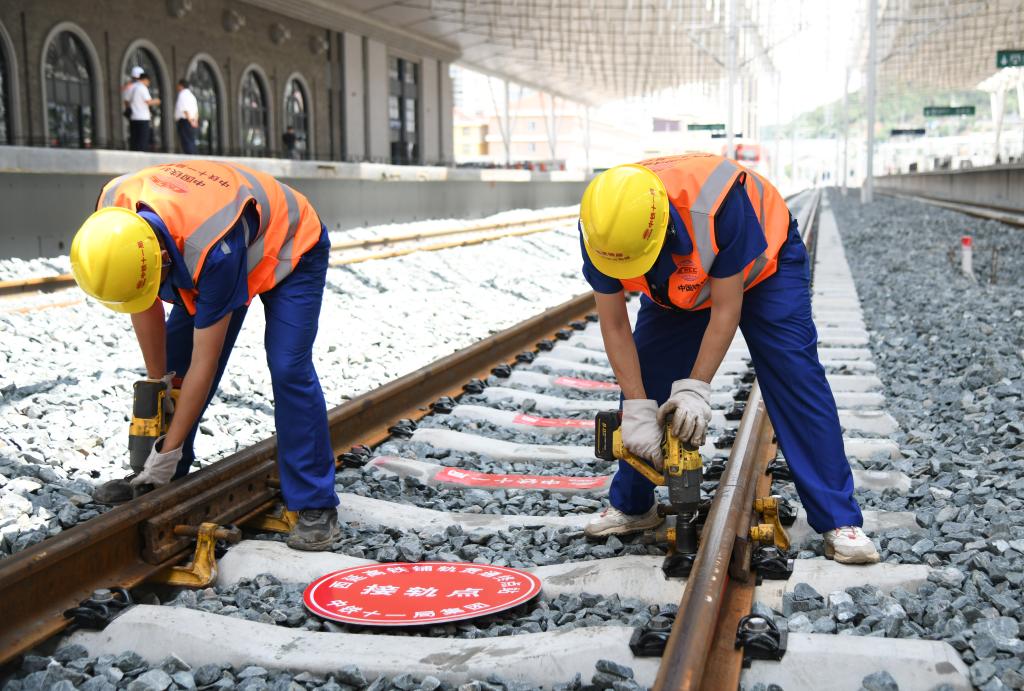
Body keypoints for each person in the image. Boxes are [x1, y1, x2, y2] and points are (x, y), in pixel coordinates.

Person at [578, 153, 880, 565]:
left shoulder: (718, 205)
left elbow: (725, 310)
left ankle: (838, 519)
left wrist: (694, 390)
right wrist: (636, 406)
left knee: (794, 375)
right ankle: (633, 506)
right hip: (676, 282)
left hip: (765, 270)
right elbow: (614, 325)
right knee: (644, 379)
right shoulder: (601, 229)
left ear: (664, 229)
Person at [69, 160, 339, 551]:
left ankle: (315, 500)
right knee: (173, 366)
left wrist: (167, 447)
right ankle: (162, 475)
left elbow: (204, 365)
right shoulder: (113, 216)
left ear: (162, 259)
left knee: (288, 367)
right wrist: (158, 382)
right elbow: (142, 302)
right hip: (219, 240)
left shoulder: (213, 250)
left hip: (291, 249)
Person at [125, 70, 159, 152]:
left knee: (134, 139)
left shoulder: (131, 87)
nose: (148, 84)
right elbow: (148, 101)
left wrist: (131, 108)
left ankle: (134, 154)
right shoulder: (142, 88)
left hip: (133, 117)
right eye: (148, 82)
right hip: (143, 117)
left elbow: (126, 101)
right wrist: (157, 101)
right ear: (145, 80)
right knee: (143, 140)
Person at [174, 79, 199, 155]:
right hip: (192, 120)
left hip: (185, 121)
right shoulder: (192, 96)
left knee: (186, 141)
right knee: (191, 140)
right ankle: (193, 156)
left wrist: (190, 121)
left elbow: (185, 109)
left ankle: (189, 157)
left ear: (181, 85)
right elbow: (196, 111)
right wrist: (195, 121)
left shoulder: (182, 95)